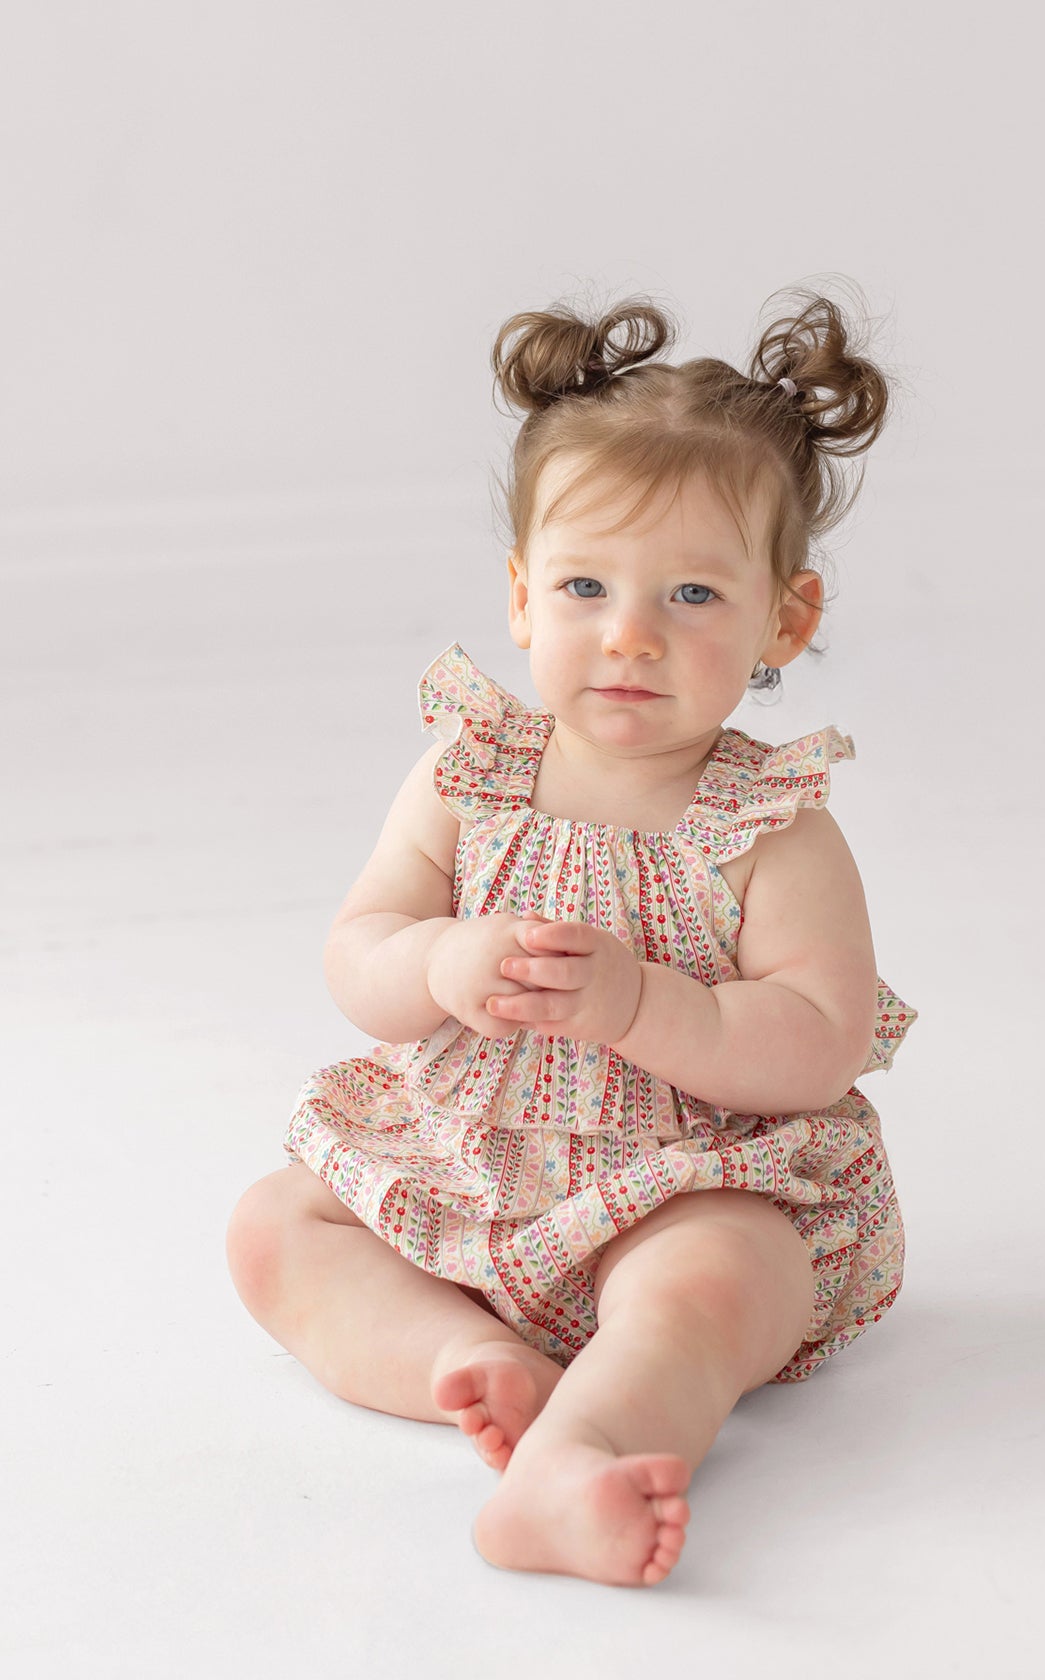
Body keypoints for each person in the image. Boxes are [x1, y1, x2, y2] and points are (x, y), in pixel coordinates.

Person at [225, 285, 917, 1589]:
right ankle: (466, 1366)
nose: (632, 634)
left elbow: (818, 1042)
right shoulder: (467, 773)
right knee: (275, 1227)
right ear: (523, 596)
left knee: (715, 1284)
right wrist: (433, 965)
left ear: (788, 619)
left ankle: (580, 1455)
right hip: (468, 1172)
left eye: (696, 593)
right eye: (586, 584)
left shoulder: (771, 829)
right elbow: (358, 949)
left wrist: (646, 1009)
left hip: (690, 1182)